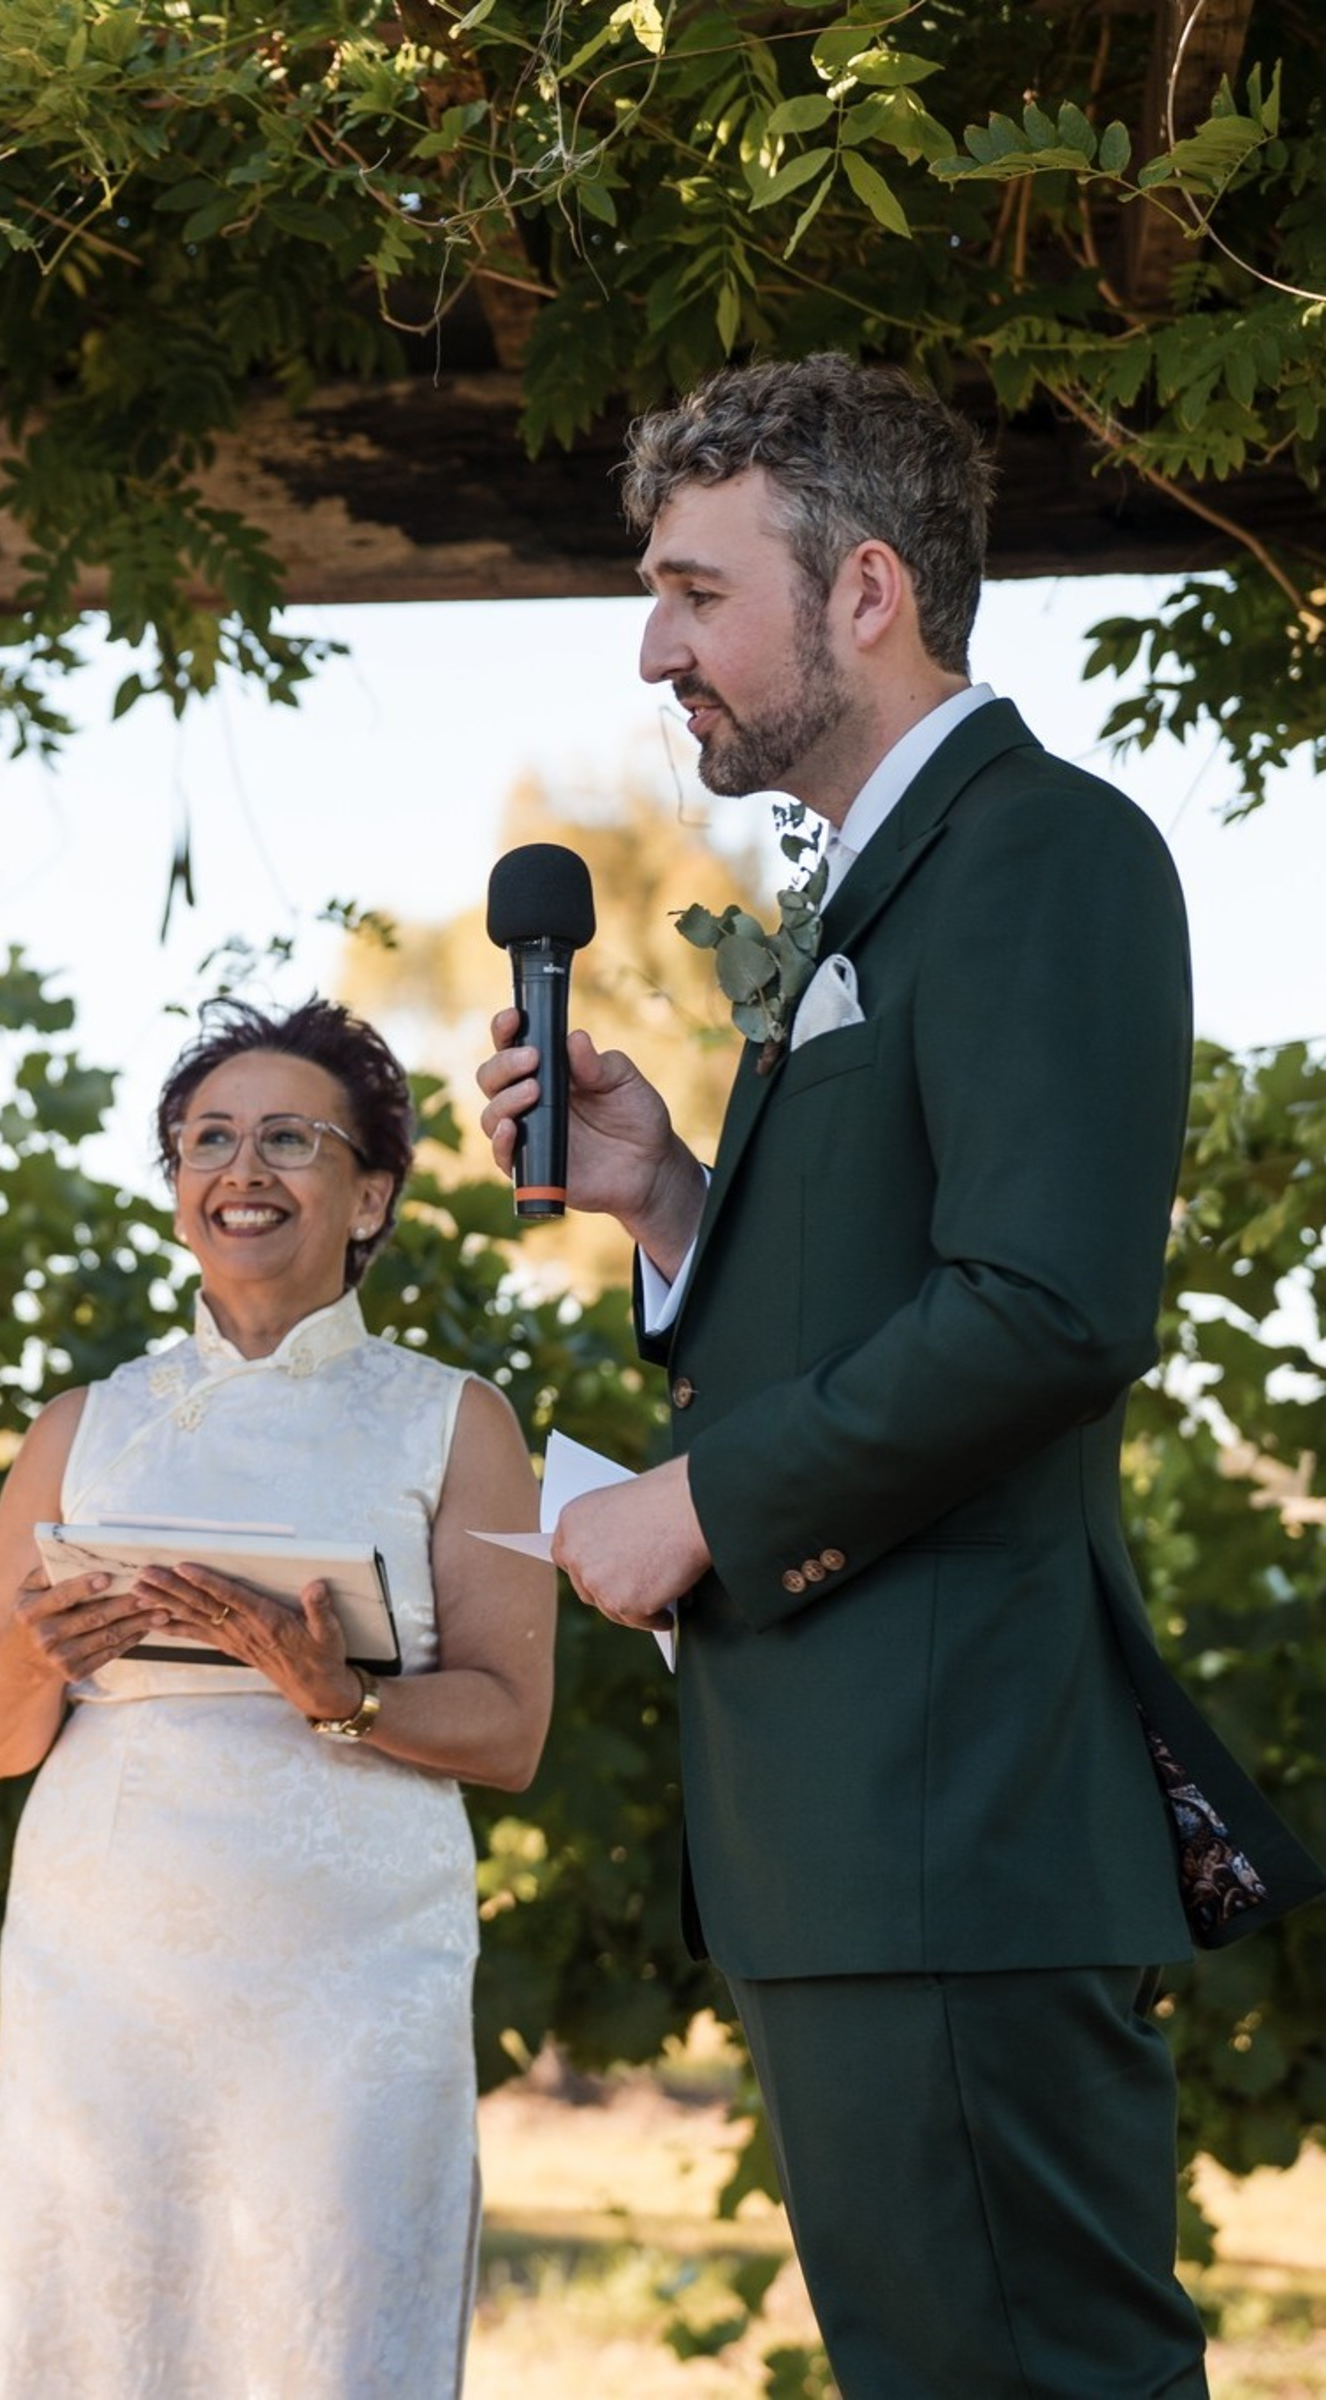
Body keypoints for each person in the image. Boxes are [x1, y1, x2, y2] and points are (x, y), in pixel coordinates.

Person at [476, 354, 1322, 2398]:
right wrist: (673, 1202)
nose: (653, 646)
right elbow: (885, 1300)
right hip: (845, 1832)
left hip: (950, 1810)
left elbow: (1044, 1308)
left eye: (696, 591)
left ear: (865, 591)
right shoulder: (859, 883)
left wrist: (696, 1507)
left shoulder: (1045, 854)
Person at [0, 996, 557, 2400]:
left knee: (326, 2338)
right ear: (176, 1191)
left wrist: (340, 1696)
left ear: (372, 1195)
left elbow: (512, 1726)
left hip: (349, 1995)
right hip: (104, 1981)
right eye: (209, 1139)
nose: (244, 1169)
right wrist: (44, 1655)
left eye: (291, 1138)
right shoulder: (80, 1427)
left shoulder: (453, 1421)